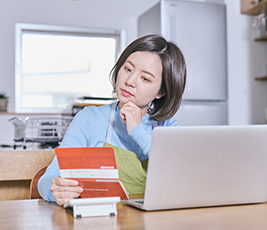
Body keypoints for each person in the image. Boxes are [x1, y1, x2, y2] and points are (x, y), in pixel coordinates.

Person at [38, 34, 187, 206]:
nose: (130, 81)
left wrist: (138, 131)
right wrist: (54, 188)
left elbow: (181, 178)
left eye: (145, 78)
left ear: (161, 92)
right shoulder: (90, 119)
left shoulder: (168, 127)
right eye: (128, 69)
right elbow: (49, 177)